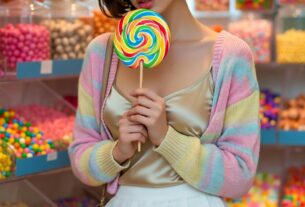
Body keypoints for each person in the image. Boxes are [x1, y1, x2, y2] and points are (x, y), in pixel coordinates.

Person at [69, 0, 260, 206]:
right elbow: (81, 159)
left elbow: (241, 175)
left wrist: (167, 139)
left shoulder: (232, 56)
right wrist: (118, 152)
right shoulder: (102, 53)